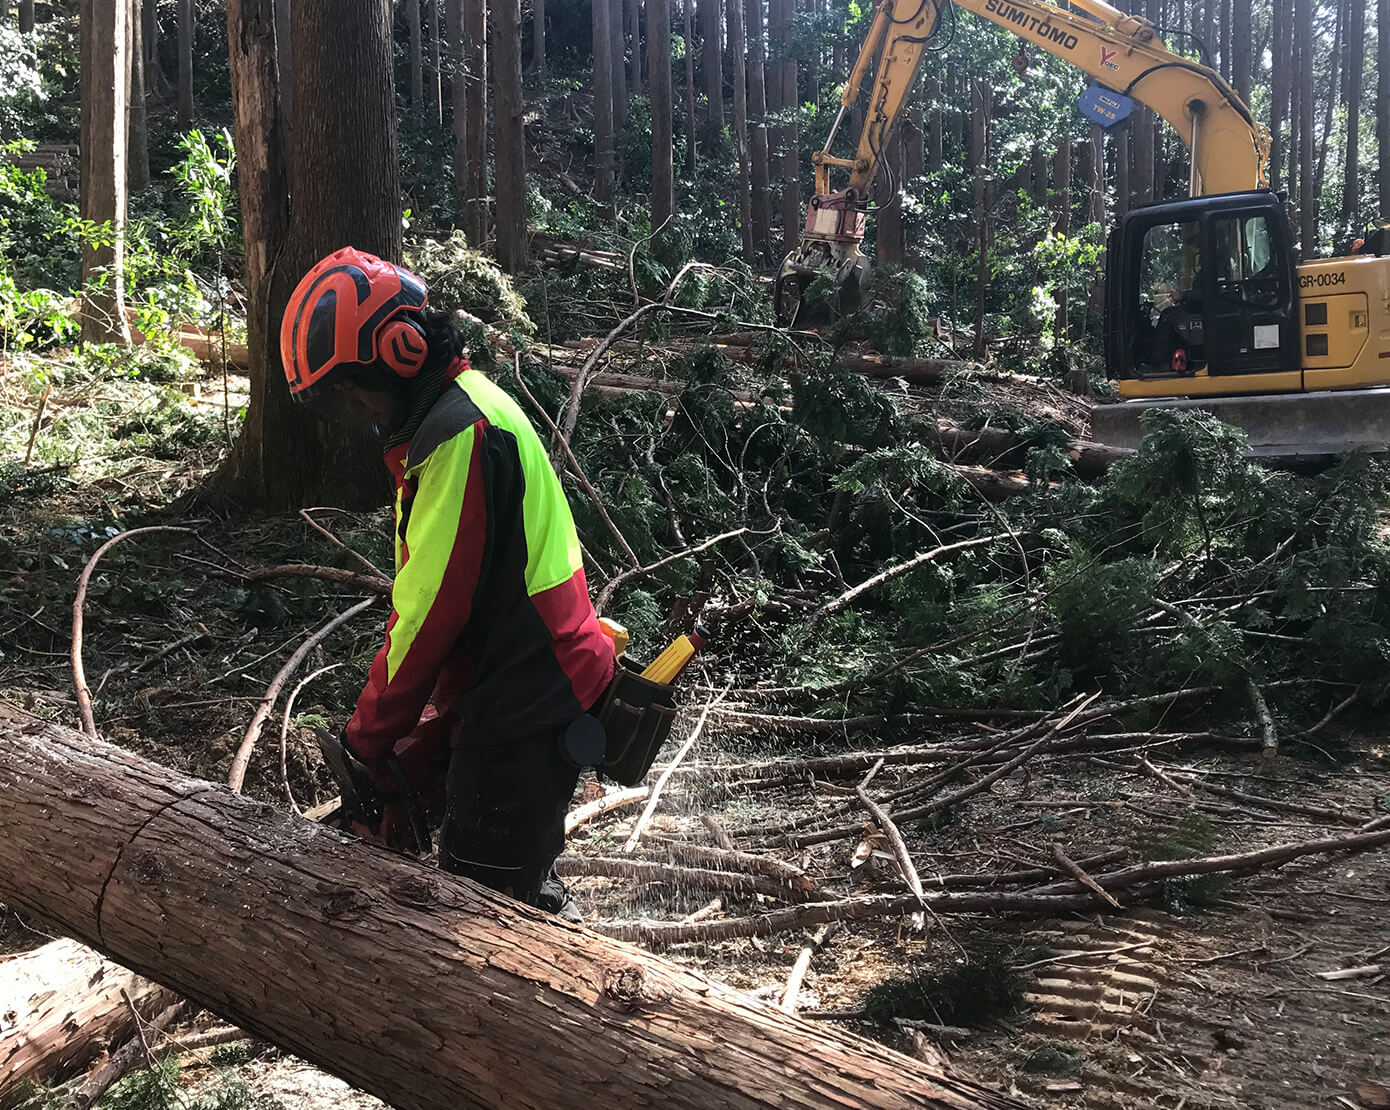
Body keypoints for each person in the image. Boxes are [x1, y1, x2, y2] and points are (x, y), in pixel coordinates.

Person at [279, 246, 616, 921]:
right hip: (517, 680)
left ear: (398, 352)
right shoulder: (449, 419)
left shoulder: (461, 431)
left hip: (532, 690)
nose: (356, 407)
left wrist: (370, 738)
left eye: (353, 387)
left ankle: (573, 1009)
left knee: (485, 910)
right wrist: (425, 729)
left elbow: (432, 611)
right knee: (498, 882)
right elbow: (454, 599)